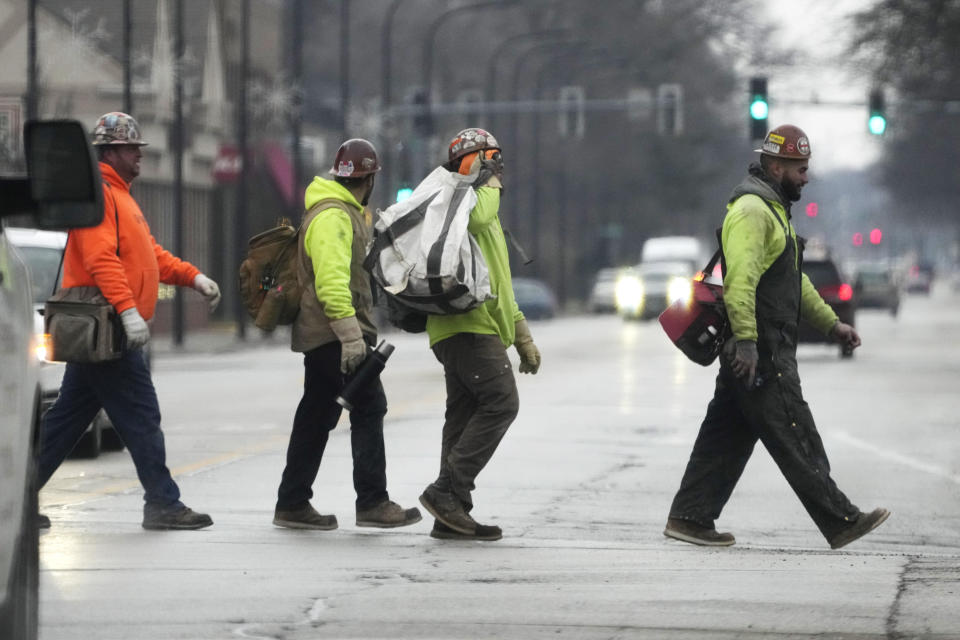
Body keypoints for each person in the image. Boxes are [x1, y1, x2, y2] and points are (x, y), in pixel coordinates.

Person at [663, 124, 889, 550]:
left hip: (760, 345)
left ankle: (690, 517)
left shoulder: (773, 211)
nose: (806, 176)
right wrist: (747, 341)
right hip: (761, 349)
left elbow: (794, 282)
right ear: (775, 165)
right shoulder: (752, 211)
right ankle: (841, 519)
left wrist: (830, 324)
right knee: (795, 430)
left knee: (725, 435)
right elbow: (742, 281)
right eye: (800, 168)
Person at [38, 112, 222, 530]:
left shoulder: (121, 197)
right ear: (109, 152)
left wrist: (193, 277)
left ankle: (8, 500)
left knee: (65, 422)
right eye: (130, 149)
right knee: (141, 416)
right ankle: (163, 503)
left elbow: (150, 256)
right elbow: (101, 259)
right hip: (108, 328)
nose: (139, 156)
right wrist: (127, 311)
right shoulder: (101, 195)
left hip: (106, 330)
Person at [273, 138, 421, 531]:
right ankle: (372, 501)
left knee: (316, 415)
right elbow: (332, 283)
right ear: (369, 178)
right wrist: (352, 337)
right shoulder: (334, 217)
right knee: (369, 407)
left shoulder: (345, 213)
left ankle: (292, 502)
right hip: (334, 336)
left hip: (326, 334)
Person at [417, 128, 541, 542]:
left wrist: (521, 334)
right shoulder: (461, 203)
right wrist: (485, 181)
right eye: (493, 162)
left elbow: (500, 285)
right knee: (502, 402)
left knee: (463, 414)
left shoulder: (478, 209)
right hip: (466, 325)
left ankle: (450, 514)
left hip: (469, 326)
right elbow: (479, 215)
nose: (500, 172)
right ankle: (446, 493)